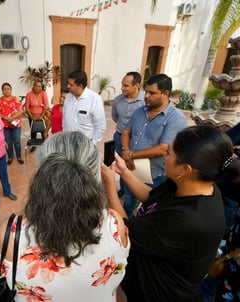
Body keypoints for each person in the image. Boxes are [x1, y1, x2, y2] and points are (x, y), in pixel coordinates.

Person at [102, 125, 238, 302]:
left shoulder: (188, 219)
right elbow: (152, 197)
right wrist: (124, 172)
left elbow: (124, 231)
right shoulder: (190, 184)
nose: (165, 156)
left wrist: (110, 187)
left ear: (185, 169)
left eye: (169, 153)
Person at [0, 131, 130, 301]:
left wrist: (38, 196)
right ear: (95, 176)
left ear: (40, 177)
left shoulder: (12, 234)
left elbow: (5, 277)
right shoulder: (114, 224)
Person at [121, 73, 187, 217]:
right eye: (146, 91)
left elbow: (163, 148)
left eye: (152, 93)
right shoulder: (140, 111)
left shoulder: (176, 118)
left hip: (154, 175)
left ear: (165, 94)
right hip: (131, 168)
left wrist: (131, 155)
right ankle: (124, 229)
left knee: (150, 208)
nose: (146, 96)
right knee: (128, 201)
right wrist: (126, 152)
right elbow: (126, 131)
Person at [111, 71, 144, 197]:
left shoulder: (145, 101)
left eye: (126, 86)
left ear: (136, 85)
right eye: (122, 85)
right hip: (119, 137)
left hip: (136, 140)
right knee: (120, 165)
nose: (122, 88)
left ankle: (133, 193)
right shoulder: (118, 100)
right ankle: (123, 190)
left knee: (134, 168)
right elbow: (115, 117)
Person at [62, 70, 106, 144]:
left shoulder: (95, 99)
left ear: (80, 86)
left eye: (71, 85)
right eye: (68, 83)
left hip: (85, 145)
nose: (68, 86)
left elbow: (100, 126)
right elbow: (65, 119)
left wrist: (92, 144)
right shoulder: (68, 97)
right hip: (68, 143)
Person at [0, 82, 24, 165]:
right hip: (5, 125)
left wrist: (12, 118)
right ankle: (10, 157)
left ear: (11, 90)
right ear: (2, 91)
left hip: (16, 125)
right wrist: (6, 118)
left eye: (8, 89)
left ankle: (19, 156)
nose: (6, 91)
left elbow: (20, 111)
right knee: (8, 142)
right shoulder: (0, 100)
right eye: (4, 89)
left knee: (17, 141)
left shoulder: (15, 99)